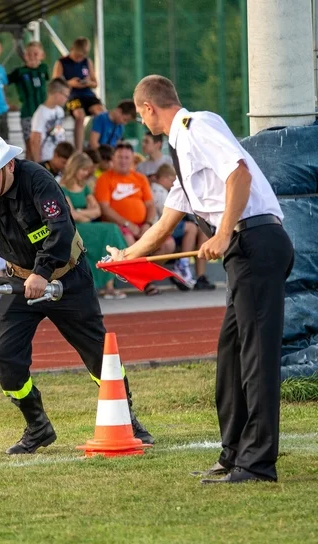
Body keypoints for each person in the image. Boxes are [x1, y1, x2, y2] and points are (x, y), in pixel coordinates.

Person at [106, 75, 294, 483]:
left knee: (256, 358)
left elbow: (239, 174)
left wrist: (223, 232)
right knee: (230, 357)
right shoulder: (182, 148)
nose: (141, 122)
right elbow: (164, 224)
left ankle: (258, 463)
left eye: (140, 114)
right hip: (243, 251)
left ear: (149, 108)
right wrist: (125, 257)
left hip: (256, 242)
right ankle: (233, 454)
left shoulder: (197, 127)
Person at [0, 130, 153, 455]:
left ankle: (128, 421)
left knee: (99, 354)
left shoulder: (37, 180)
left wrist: (43, 273)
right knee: (2, 357)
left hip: (66, 275)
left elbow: (60, 230)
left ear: (9, 165)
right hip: (19, 280)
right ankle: (37, 426)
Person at [95, 142, 175, 296]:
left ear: (132, 159)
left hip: (143, 225)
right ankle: (146, 282)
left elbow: (150, 205)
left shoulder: (140, 178)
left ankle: (141, 274)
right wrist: (127, 223)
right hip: (119, 226)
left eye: (127, 157)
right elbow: (105, 208)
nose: (123, 161)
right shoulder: (105, 179)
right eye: (120, 157)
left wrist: (148, 223)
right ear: (113, 158)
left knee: (168, 244)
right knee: (132, 243)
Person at [61, 152, 127, 299]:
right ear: (74, 168)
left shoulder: (85, 188)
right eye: (83, 170)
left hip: (87, 226)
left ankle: (110, 284)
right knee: (109, 230)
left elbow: (97, 211)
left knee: (110, 231)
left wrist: (80, 212)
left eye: (87, 170)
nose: (85, 173)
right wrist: (84, 213)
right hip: (73, 229)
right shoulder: (62, 187)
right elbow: (71, 215)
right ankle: (111, 282)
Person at [152, 164, 216, 291]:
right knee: (191, 228)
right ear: (163, 178)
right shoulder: (158, 190)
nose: (172, 184)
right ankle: (182, 265)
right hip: (158, 229)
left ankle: (200, 276)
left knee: (202, 231)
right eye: (171, 180)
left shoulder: (164, 191)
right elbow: (167, 217)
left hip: (168, 228)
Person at [52, 37, 106, 150]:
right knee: (79, 115)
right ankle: (79, 149)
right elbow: (55, 83)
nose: (79, 59)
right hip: (71, 96)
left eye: (81, 56)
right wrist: (70, 83)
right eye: (77, 56)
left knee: (102, 114)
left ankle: (99, 145)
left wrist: (87, 82)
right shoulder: (62, 62)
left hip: (87, 94)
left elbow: (95, 83)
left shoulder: (87, 61)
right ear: (72, 49)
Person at [7, 41, 50, 160]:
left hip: (43, 115)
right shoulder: (19, 72)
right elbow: (2, 83)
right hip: (28, 114)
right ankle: (29, 174)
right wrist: (7, 103)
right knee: (31, 147)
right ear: (24, 56)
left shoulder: (43, 69)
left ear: (42, 55)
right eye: (29, 54)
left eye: (35, 54)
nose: (32, 57)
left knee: (43, 145)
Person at [30, 78, 70, 163]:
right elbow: (35, 140)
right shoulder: (41, 113)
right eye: (66, 95)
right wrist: (39, 163)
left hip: (59, 157)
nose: (67, 99)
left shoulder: (60, 111)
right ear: (57, 94)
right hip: (46, 159)